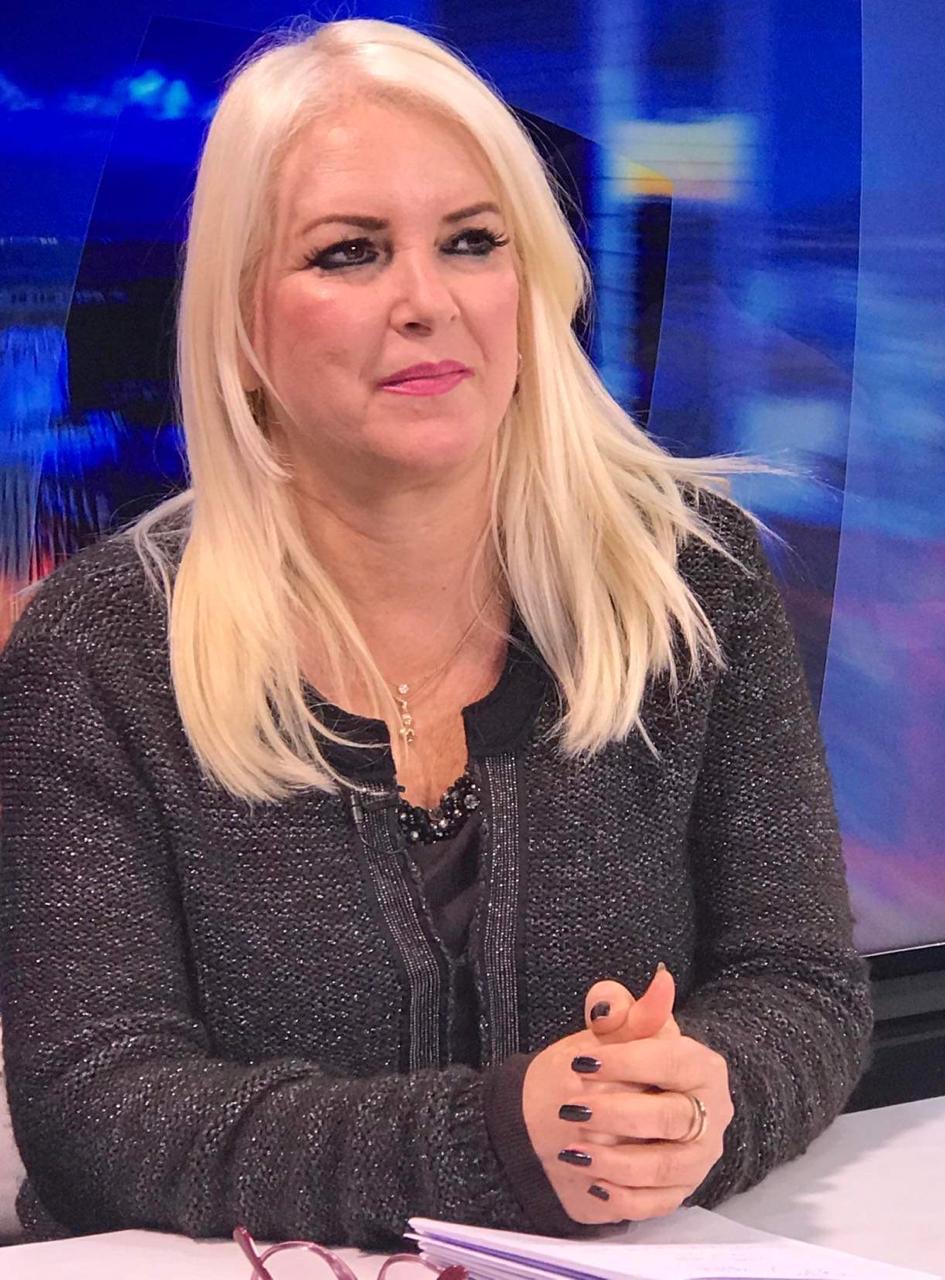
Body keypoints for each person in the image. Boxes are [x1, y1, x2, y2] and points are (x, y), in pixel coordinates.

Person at [0, 16, 871, 1251]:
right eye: (349, 253)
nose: (426, 301)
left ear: (531, 284)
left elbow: (801, 985)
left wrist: (695, 1105)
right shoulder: (101, 654)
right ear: (242, 321)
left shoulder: (693, 587)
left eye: (472, 241)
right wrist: (503, 1141)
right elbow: (97, 1106)